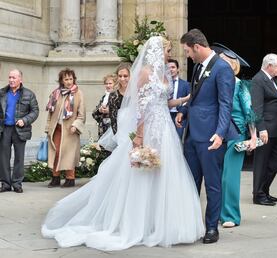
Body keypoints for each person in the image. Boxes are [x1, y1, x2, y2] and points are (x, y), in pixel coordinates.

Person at [41, 36, 204, 250]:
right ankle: (139, 223)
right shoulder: (145, 73)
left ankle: (160, 222)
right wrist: (139, 136)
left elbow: (164, 102)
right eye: (167, 50)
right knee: (143, 174)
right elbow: (141, 107)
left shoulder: (164, 73)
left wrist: (185, 100)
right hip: (149, 128)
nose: (169, 54)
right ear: (156, 51)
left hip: (165, 128)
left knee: (164, 174)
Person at [176, 29, 238, 243]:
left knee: (212, 184)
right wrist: (184, 112)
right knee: (191, 182)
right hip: (192, 134)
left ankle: (212, 227)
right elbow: (195, 96)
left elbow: (225, 104)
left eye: (187, 51)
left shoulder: (222, 69)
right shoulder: (198, 67)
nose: (187, 55)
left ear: (197, 47)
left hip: (211, 137)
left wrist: (220, 134)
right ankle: (191, 226)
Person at [215, 46, 257, 228]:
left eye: (223, 61)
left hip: (236, 134)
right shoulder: (216, 83)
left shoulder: (241, 86)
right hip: (217, 135)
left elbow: (249, 112)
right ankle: (218, 213)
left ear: (232, 66)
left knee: (229, 177)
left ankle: (230, 215)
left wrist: (253, 137)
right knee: (216, 177)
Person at [250, 53, 277, 206]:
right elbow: (257, 108)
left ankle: (265, 189)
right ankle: (258, 194)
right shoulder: (258, 80)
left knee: (276, 161)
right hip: (266, 130)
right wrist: (261, 129)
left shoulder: (272, 79)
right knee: (261, 162)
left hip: (276, 129)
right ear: (269, 66)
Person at [46, 68, 86, 188]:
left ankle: (70, 179)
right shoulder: (56, 93)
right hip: (56, 128)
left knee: (69, 154)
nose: (69, 81)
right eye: (66, 79)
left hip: (70, 130)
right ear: (61, 81)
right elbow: (50, 112)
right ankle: (55, 177)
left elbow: (82, 113)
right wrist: (48, 127)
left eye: (71, 79)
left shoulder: (78, 93)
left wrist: (76, 125)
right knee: (56, 152)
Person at [0, 69, 39, 193]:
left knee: (19, 158)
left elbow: (35, 111)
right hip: (4, 129)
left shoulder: (29, 94)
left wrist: (25, 120)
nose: (11, 80)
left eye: (14, 78)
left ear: (20, 79)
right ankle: (5, 184)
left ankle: (17, 183)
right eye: (10, 77)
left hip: (20, 130)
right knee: (3, 157)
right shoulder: (2, 93)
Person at [167, 59, 190, 138]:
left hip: (180, 116)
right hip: (166, 115)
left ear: (178, 69)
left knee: (177, 140)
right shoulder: (162, 84)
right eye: (168, 68)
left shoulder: (186, 85)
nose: (170, 69)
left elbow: (189, 101)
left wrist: (182, 112)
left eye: (173, 67)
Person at [108, 63, 130, 135]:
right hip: (120, 131)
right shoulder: (113, 95)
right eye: (120, 76)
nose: (122, 79)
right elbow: (113, 119)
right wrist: (117, 136)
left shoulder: (137, 93)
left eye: (125, 76)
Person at [92, 74, 117, 138]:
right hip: (103, 130)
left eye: (110, 83)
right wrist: (100, 110)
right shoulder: (104, 97)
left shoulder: (117, 96)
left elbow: (122, 113)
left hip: (113, 130)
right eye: (106, 83)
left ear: (115, 84)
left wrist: (110, 111)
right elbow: (94, 114)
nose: (108, 85)